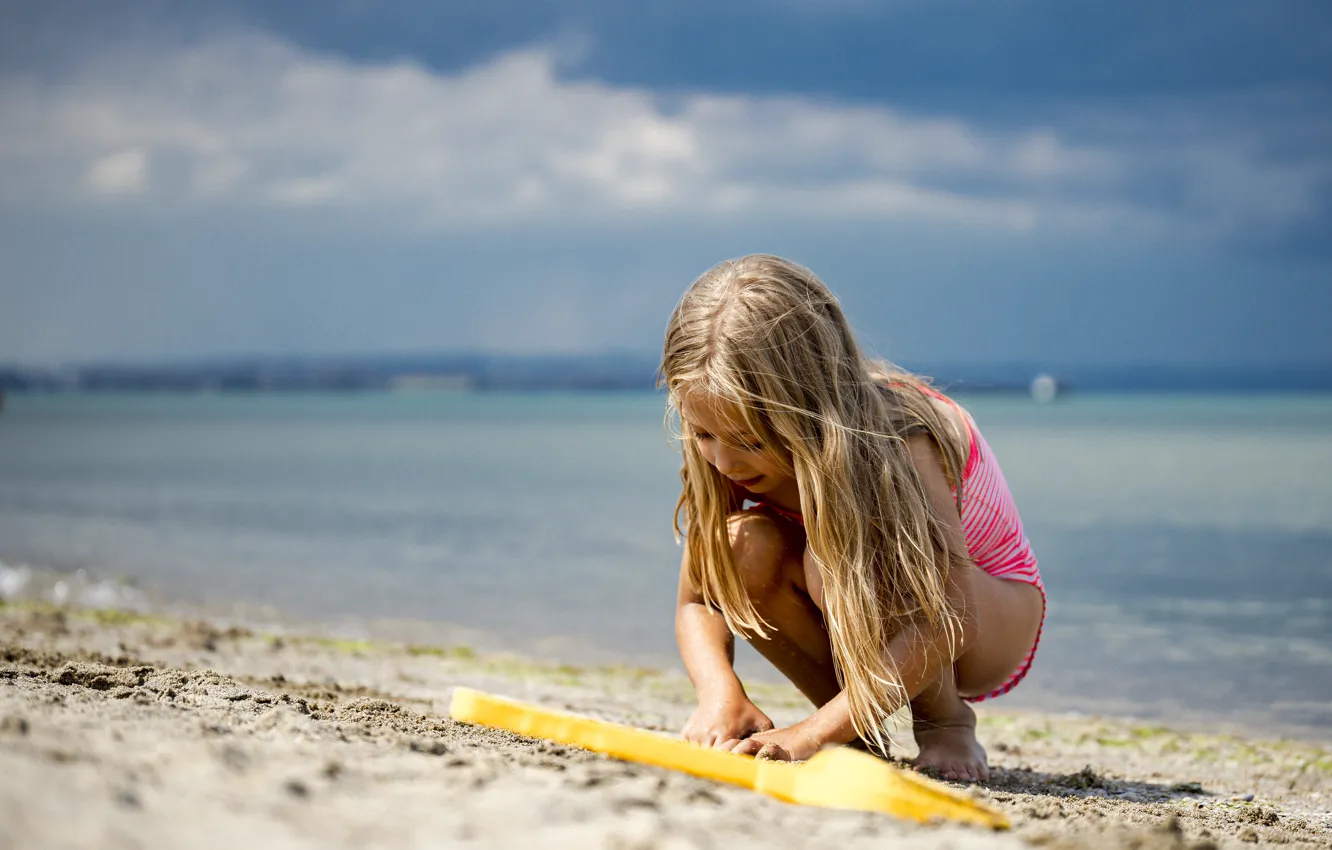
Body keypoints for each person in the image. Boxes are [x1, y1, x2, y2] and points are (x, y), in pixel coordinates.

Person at [660, 255, 1046, 782]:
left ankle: (945, 721)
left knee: (837, 552)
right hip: (866, 607)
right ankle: (855, 731)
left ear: (807, 407)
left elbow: (950, 615)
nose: (725, 461)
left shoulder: (899, 438)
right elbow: (697, 598)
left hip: (985, 618)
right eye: (703, 435)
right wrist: (720, 693)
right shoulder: (726, 427)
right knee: (736, 548)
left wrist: (811, 734)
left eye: (750, 441)